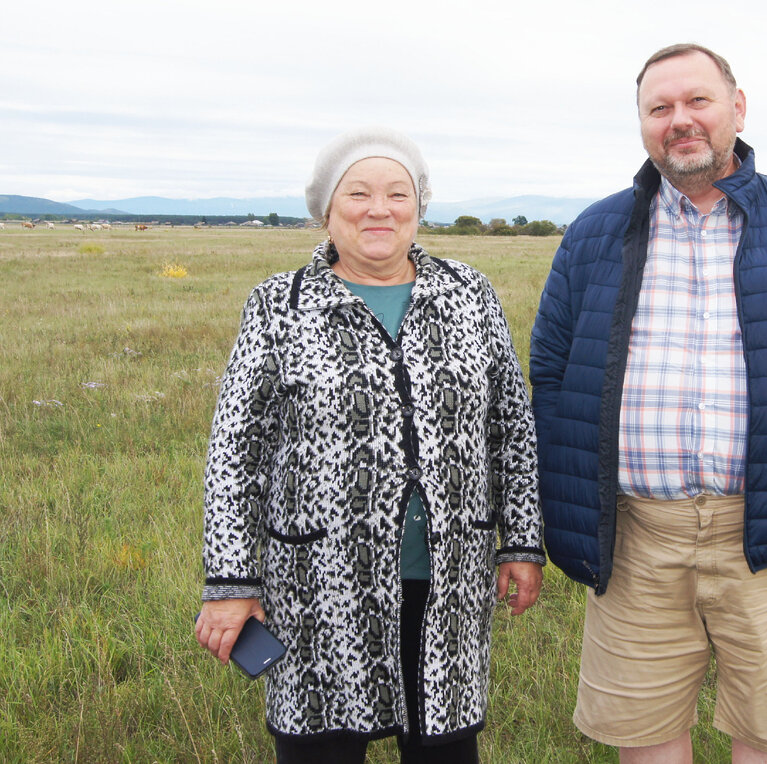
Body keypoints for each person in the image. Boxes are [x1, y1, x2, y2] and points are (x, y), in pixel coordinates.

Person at [529, 45, 767, 763]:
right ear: (643, 123)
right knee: (644, 740)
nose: (680, 120)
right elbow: (550, 369)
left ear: (738, 107)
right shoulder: (594, 233)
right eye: (659, 107)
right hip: (636, 537)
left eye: (697, 100)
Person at [195, 127, 545, 764]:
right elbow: (236, 453)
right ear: (326, 210)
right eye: (357, 193)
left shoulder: (469, 294)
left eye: (397, 194)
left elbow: (510, 429)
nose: (378, 209)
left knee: (444, 746)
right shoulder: (279, 305)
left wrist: (520, 543)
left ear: (419, 206)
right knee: (323, 746)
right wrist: (230, 581)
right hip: (319, 584)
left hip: (449, 578)